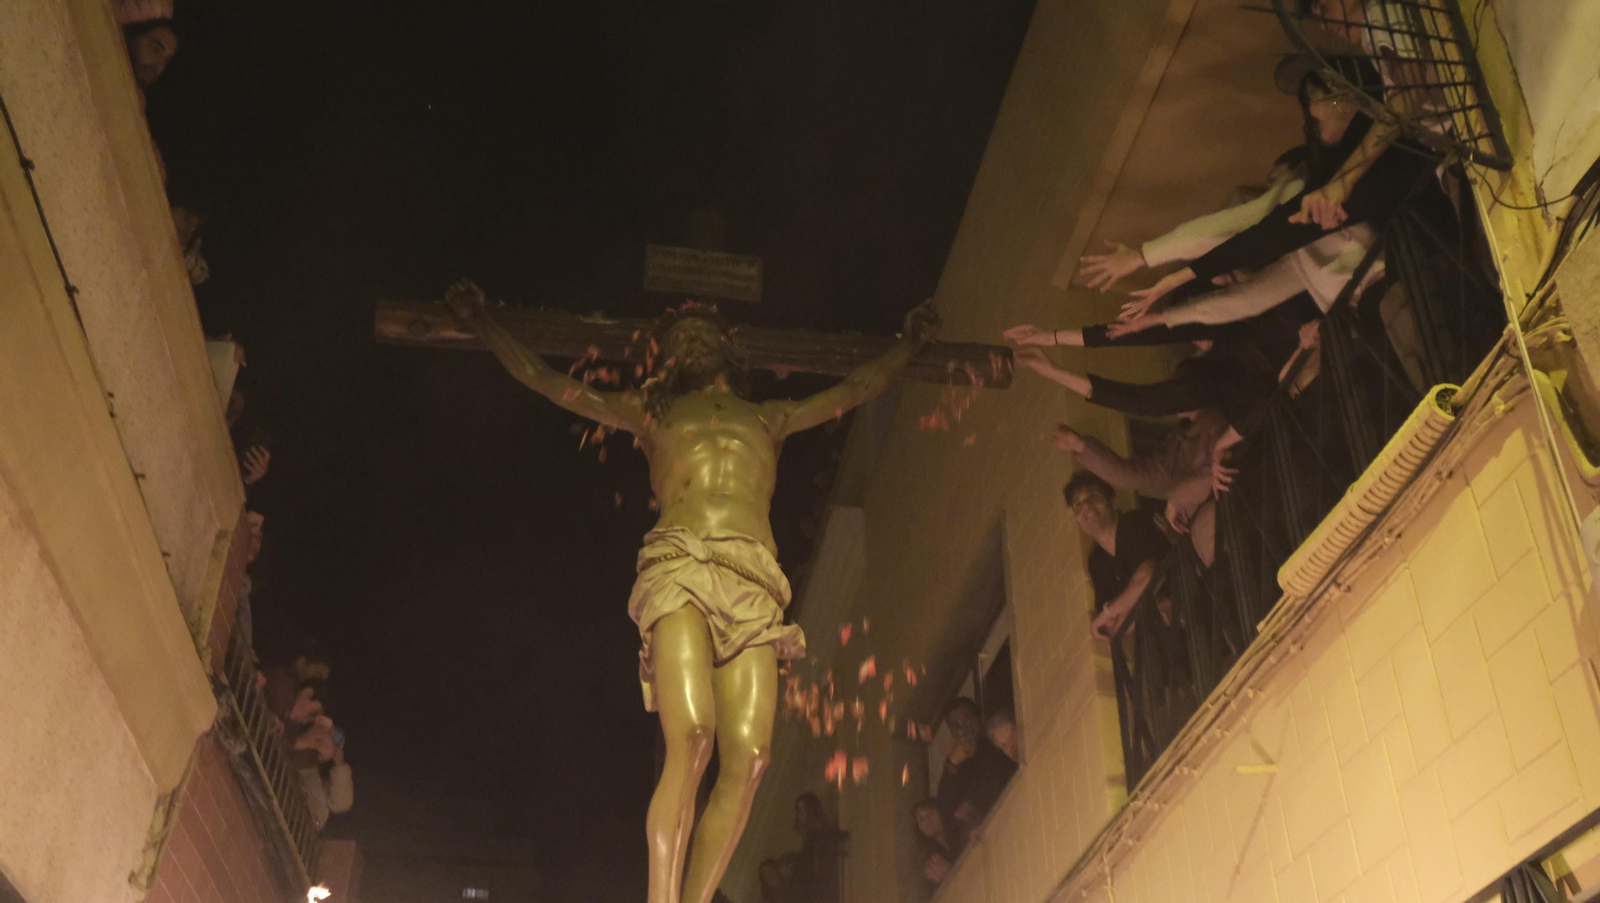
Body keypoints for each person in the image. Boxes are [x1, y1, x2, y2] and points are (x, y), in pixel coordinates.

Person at [447, 280, 938, 903]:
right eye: (680, 338)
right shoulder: (653, 414)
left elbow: (856, 388)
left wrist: (911, 343)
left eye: (703, 332)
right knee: (695, 736)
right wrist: (487, 325)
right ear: (669, 360)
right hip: (680, 563)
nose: (692, 340)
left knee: (754, 758)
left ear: (728, 350)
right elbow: (551, 382)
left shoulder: (771, 417)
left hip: (754, 580)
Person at [1064, 471, 1170, 641]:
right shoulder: (1097, 561)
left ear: (1112, 501)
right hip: (1163, 645)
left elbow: (1148, 576)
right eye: (1077, 505)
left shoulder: (1133, 523)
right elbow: (1112, 625)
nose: (1086, 507)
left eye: (1094, 497)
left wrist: (1112, 611)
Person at [934, 697, 1016, 840]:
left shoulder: (997, 741)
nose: (965, 728)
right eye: (957, 725)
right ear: (952, 733)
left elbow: (1006, 775)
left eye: (968, 719)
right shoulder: (958, 765)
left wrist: (975, 805)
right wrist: (952, 763)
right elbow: (945, 807)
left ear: (979, 718)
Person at [912, 799, 960, 888]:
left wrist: (950, 870)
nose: (927, 821)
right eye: (922, 820)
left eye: (930, 814)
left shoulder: (960, 831)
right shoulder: (931, 859)